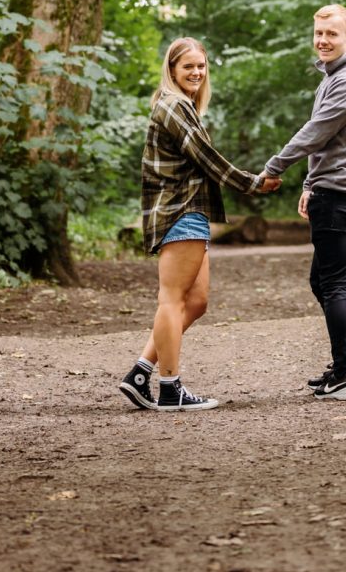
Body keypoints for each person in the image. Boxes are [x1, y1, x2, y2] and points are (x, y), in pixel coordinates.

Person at [119, 37, 280, 412]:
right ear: (172, 69)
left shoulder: (182, 106)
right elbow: (208, 159)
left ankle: (141, 373)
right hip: (178, 209)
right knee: (172, 300)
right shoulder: (174, 106)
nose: (196, 72)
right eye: (188, 66)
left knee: (197, 302)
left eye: (201, 66)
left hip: (191, 211)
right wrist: (253, 183)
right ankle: (171, 388)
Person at [264, 5, 346, 402]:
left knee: (333, 285)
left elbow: (315, 133)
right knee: (324, 282)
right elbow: (330, 142)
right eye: (318, 33)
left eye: (332, 33)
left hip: (343, 196)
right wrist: (310, 183)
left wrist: (273, 168)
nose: (323, 40)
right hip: (341, 191)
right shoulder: (335, 77)